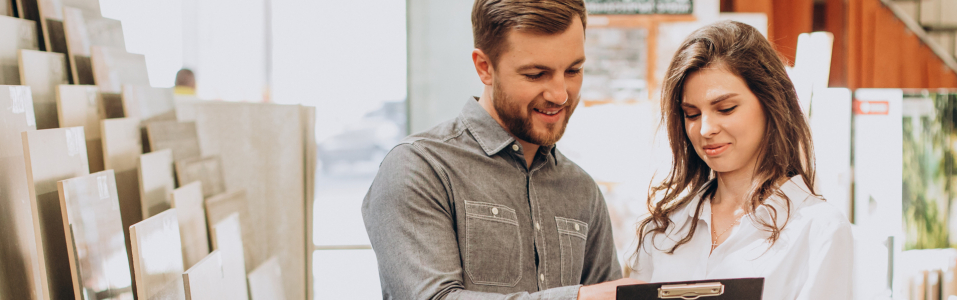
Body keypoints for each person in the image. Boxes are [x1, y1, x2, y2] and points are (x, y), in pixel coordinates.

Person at [362, 0, 641, 299]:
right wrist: (578, 298)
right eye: (536, 74)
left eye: (573, 70)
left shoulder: (582, 189)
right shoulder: (419, 168)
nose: (560, 94)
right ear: (485, 68)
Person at [624, 21, 854, 300]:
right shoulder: (660, 231)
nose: (706, 128)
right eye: (692, 114)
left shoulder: (818, 229)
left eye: (725, 108)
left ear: (771, 103)